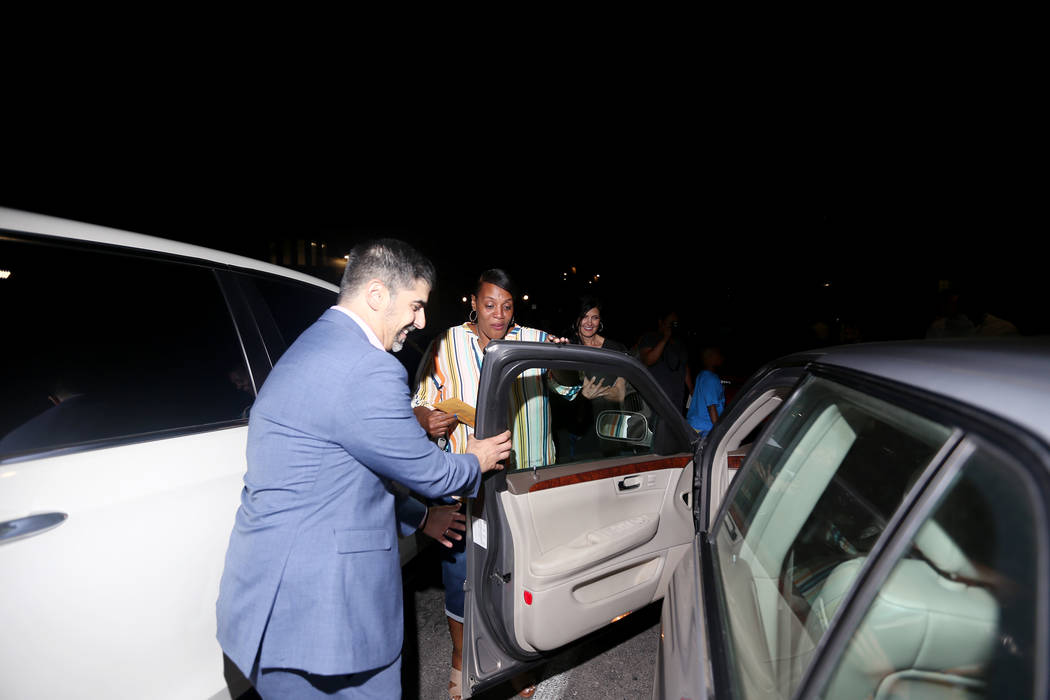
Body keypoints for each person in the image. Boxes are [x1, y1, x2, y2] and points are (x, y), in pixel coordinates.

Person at [215, 240, 513, 700]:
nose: (420, 321)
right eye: (415, 305)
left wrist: (421, 517)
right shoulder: (369, 367)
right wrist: (477, 458)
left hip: (270, 604)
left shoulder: (312, 344)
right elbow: (430, 472)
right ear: (377, 295)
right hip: (327, 619)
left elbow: (341, 476)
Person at [412, 268, 585, 699]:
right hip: (465, 487)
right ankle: (459, 658)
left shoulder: (534, 340)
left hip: (523, 483)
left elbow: (568, 390)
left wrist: (563, 363)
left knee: (517, 577)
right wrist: (428, 420)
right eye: (490, 304)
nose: (499, 314)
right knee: (461, 579)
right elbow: (418, 402)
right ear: (473, 301)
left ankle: (514, 662)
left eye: (507, 306)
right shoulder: (446, 344)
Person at [557, 296, 629, 458]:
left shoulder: (615, 350)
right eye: (584, 317)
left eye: (594, 317)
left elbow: (621, 394)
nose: (589, 323)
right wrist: (582, 396)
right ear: (576, 319)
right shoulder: (566, 348)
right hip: (575, 435)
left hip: (609, 432)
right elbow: (558, 393)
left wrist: (593, 393)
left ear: (600, 321)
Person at [638, 310, 692, 414]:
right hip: (655, 400)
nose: (672, 326)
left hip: (676, 401)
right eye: (670, 323)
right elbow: (648, 360)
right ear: (661, 322)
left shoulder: (679, 344)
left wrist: (691, 390)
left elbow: (684, 367)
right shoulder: (650, 337)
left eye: (675, 324)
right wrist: (665, 339)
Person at [686, 346, 725, 437]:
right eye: (718, 354)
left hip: (694, 424)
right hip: (704, 428)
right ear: (711, 358)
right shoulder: (711, 379)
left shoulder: (701, 376)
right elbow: (711, 407)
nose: (721, 357)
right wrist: (717, 432)